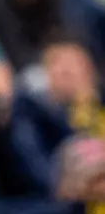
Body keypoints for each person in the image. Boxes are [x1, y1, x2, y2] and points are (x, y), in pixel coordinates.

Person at [8, 37, 103, 192]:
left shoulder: (98, 106)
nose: (72, 75)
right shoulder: (31, 116)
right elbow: (42, 173)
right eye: (64, 72)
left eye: (78, 67)